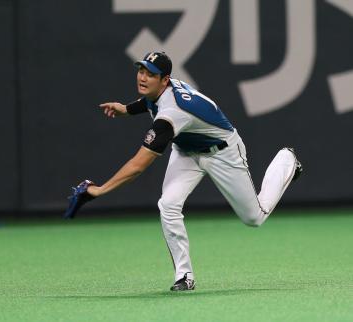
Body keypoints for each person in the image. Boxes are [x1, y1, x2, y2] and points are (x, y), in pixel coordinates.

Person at [83, 51, 302, 291]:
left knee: (254, 218)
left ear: (165, 80)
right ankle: (184, 275)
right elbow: (148, 101)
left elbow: (137, 166)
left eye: (150, 74)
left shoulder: (172, 112)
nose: (143, 78)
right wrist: (126, 108)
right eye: (141, 70)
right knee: (168, 205)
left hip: (222, 152)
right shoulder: (161, 91)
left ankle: (287, 160)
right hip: (186, 150)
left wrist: (100, 190)